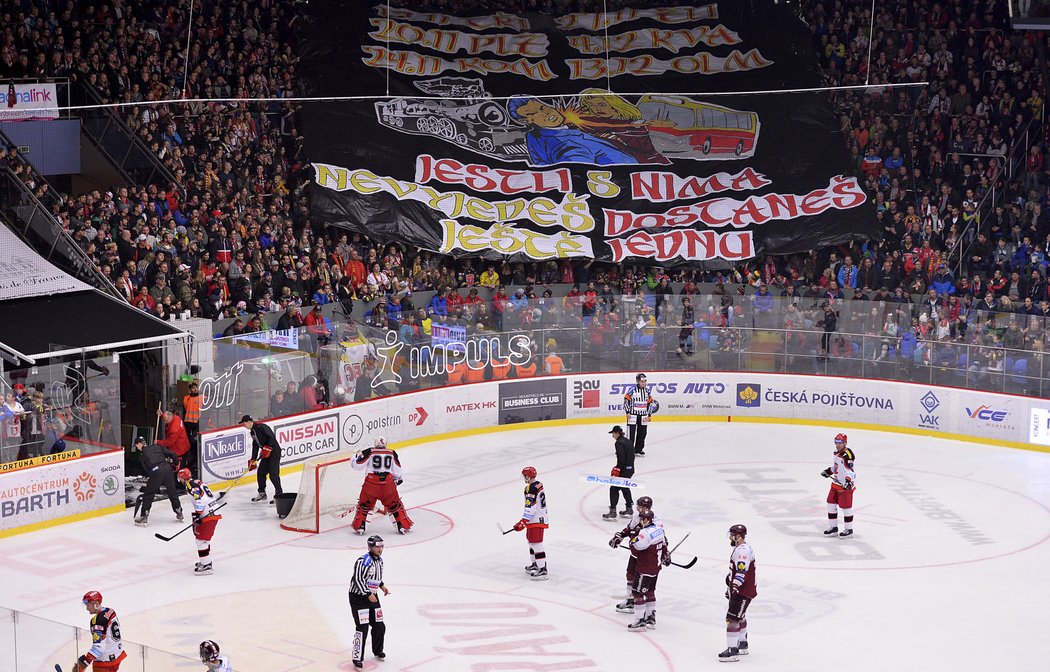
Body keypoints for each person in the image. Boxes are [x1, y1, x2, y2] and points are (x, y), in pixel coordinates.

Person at [350, 437, 414, 535]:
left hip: (371, 484)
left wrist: (354, 457)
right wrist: (396, 480)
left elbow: (357, 466)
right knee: (394, 505)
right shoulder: (392, 453)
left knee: (365, 505)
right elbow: (398, 472)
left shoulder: (369, 451)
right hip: (388, 484)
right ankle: (402, 526)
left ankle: (360, 527)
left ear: (375, 444)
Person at [610, 495, 662, 615]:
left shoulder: (656, 521)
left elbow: (661, 538)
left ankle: (641, 607)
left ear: (644, 507)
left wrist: (664, 552)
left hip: (645, 556)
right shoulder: (637, 516)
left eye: (638, 506)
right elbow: (630, 528)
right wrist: (620, 536)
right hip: (635, 552)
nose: (637, 508)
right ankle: (630, 600)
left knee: (645, 586)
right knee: (630, 575)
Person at [348, 534, 390, 669]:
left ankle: (378, 650)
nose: (380, 549)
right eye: (378, 547)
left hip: (372, 596)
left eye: (382, 546)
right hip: (359, 598)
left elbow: (375, 577)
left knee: (379, 626)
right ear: (371, 547)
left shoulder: (380, 561)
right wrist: (367, 594)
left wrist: (381, 585)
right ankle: (357, 658)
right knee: (362, 628)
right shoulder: (363, 561)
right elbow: (358, 579)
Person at [625, 509, 668, 631]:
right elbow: (664, 545)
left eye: (641, 519)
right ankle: (650, 617)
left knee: (637, 593)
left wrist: (632, 539)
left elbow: (635, 548)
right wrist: (665, 555)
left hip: (644, 568)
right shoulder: (659, 530)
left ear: (646, 519)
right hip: (656, 567)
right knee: (650, 591)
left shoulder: (644, 533)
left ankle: (639, 621)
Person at [720, 524, 757, 662]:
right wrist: (730, 586)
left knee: (732, 619)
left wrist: (735, 586)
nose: (730, 537)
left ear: (738, 536)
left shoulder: (742, 552)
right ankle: (742, 644)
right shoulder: (742, 548)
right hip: (743, 589)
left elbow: (741, 571)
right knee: (740, 617)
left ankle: (732, 651)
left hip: (742, 591)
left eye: (732, 535)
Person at [178, 468, 223, 575]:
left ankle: (207, 566)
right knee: (203, 540)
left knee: (201, 541)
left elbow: (200, 500)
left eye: (180, 477)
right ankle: (205, 561)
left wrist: (198, 514)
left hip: (208, 515)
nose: (179, 479)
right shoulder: (197, 482)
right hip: (212, 512)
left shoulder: (191, 486)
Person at [132, 436, 183, 526]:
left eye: (136, 446)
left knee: (149, 493)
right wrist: (175, 463)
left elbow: (147, 470)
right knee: (172, 491)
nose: (137, 448)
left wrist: (154, 478)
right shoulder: (157, 447)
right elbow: (173, 454)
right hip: (167, 469)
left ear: (139, 444)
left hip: (156, 471)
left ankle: (144, 516)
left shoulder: (142, 455)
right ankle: (178, 510)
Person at [72, 591, 127, 671]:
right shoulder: (110, 611)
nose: (87, 608)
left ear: (96, 604)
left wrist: (85, 662)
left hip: (105, 662)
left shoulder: (97, 621)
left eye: (88, 605)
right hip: (117, 655)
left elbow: (99, 647)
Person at [514, 465, 550, 580]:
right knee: (531, 542)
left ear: (528, 476)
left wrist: (523, 521)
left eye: (525, 476)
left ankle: (542, 569)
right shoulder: (538, 484)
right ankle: (535, 564)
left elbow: (531, 507)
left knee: (536, 543)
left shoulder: (530, 488)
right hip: (536, 518)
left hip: (535, 519)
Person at [240, 415, 283, 503]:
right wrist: (253, 459)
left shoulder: (262, 427)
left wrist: (268, 447)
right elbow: (255, 445)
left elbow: (271, 437)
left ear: (249, 422)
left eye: (244, 424)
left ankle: (279, 494)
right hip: (266, 454)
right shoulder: (252, 432)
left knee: (273, 475)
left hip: (274, 452)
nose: (244, 426)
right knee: (261, 472)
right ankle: (262, 493)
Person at [821, 433, 857, 537]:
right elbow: (837, 467)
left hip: (845, 485)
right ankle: (833, 528)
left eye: (839, 443)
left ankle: (849, 529)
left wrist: (848, 481)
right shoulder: (836, 452)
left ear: (845, 443)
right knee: (830, 505)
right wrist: (828, 471)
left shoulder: (848, 455)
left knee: (846, 508)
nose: (837, 445)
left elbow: (850, 471)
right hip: (836, 483)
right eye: (836, 442)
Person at [603, 425, 635, 521]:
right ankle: (629, 509)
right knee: (625, 487)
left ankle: (613, 511)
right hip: (630, 469)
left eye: (613, 433)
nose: (612, 435)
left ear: (617, 433)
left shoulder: (619, 443)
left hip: (624, 470)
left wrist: (618, 468)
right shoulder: (628, 441)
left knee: (613, 489)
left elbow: (621, 457)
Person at [624, 373, 658, 456]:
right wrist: (627, 412)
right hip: (632, 415)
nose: (644, 383)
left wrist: (649, 415)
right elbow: (626, 400)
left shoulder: (647, 391)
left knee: (642, 433)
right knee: (630, 433)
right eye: (642, 381)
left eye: (645, 381)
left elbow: (650, 402)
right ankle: (629, 449)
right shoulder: (632, 389)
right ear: (637, 381)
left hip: (643, 415)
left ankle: (638, 449)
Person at [182, 380, 201, 474]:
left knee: (194, 441)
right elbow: (185, 409)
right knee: (190, 441)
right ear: (190, 390)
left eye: (196, 387)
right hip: (189, 422)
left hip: (198, 423)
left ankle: (195, 460)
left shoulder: (202, 398)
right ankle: (191, 460)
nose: (195, 389)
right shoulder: (186, 398)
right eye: (193, 388)